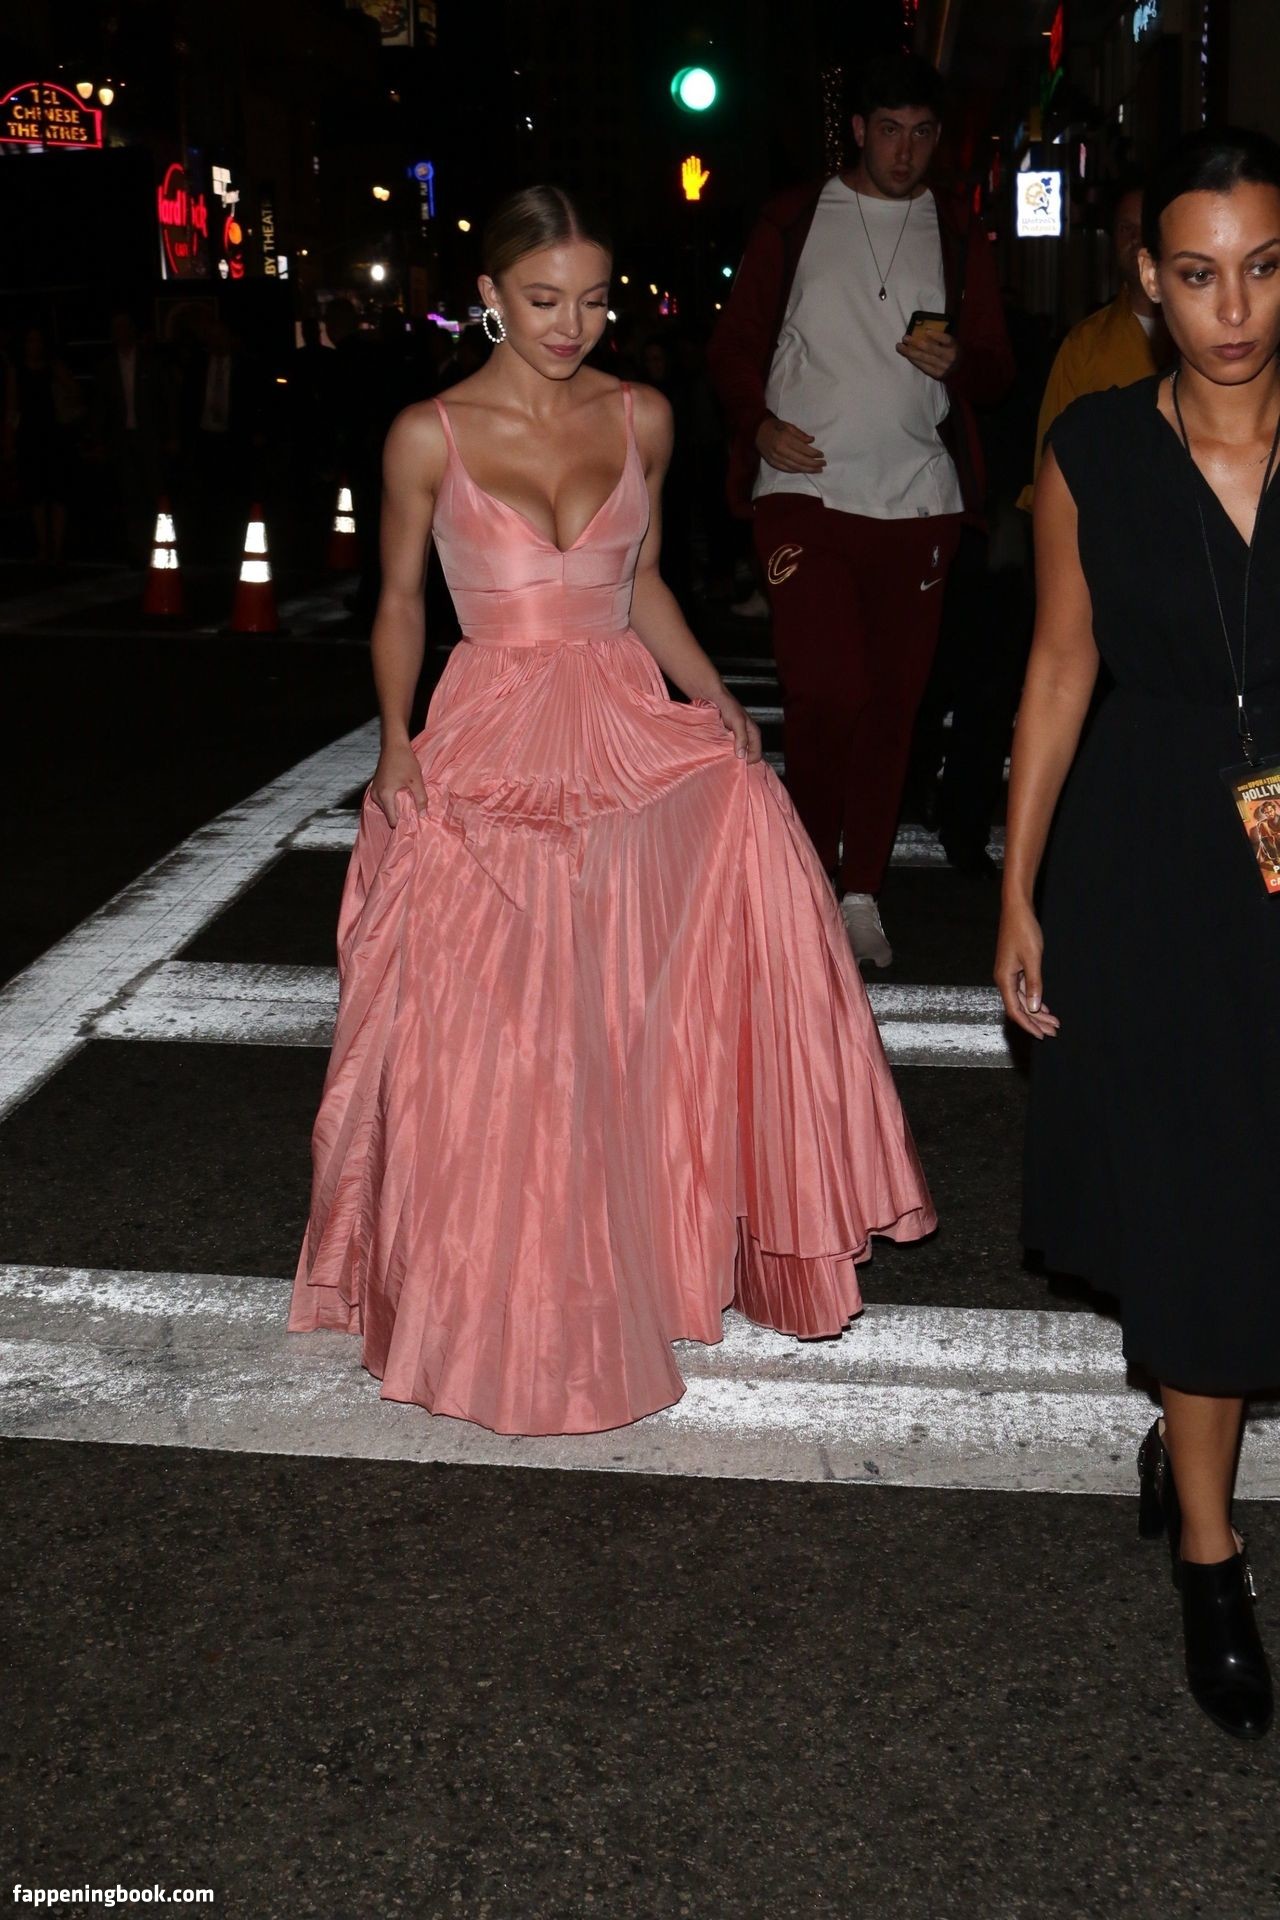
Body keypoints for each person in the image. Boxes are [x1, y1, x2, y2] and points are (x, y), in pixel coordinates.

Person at [289, 186, 935, 1437]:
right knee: (502, 1030)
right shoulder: (427, 433)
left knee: (629, 1009)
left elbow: (639, 581)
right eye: (543, 299)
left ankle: (638, 1243)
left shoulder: (640, 415)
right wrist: (395, 743)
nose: (569, 324)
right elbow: (401, 603)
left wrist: (713, 697)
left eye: (591, 301)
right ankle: (496, 1288)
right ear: (489, 296)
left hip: (622, 724)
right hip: (492, 728)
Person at [996, 127, 1280, 1739]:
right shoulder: (1094, 450)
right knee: (1196, 1198)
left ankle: (1190, 1439)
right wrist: (1019, 887)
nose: (1231, 308)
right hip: (1153, 859)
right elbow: (1059, 666)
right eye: (1196, 274)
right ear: (1148, 284)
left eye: (1263, 269)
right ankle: (1211, 1557)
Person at [708, 53, 1013, 968]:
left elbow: (997, 368)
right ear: (856, 130)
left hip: (918, 500)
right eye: (889, 130)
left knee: (892, 704)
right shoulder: (795, 217)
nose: (905, 151)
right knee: (826, 689)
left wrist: (961, 363)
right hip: (805, 494)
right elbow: (733, 345)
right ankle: (808, 872)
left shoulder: (957, 231)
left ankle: (861, 891)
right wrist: (758, 425)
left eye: (921, 133)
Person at [1017, 176, 1170, 509]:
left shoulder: (1204, 333)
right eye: (1126, 229)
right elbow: (1051, 459)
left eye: (1146, 227)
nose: (1137, 239)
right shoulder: (1084, 344)